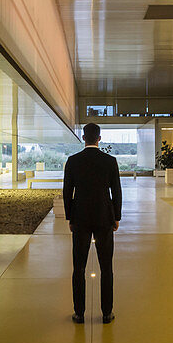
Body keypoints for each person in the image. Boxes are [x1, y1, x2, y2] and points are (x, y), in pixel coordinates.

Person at [62, 122, 122, 324]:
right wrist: (116, 217)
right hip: (104, 218)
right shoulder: (110, 161)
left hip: (80, 219)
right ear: (99, 138)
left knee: (78, 267)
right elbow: (117, 192)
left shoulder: (72, 161)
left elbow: (67, 192)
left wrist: (70, 217)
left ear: (83, 137)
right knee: (107, 267)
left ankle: (79, 313)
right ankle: (107, 313)